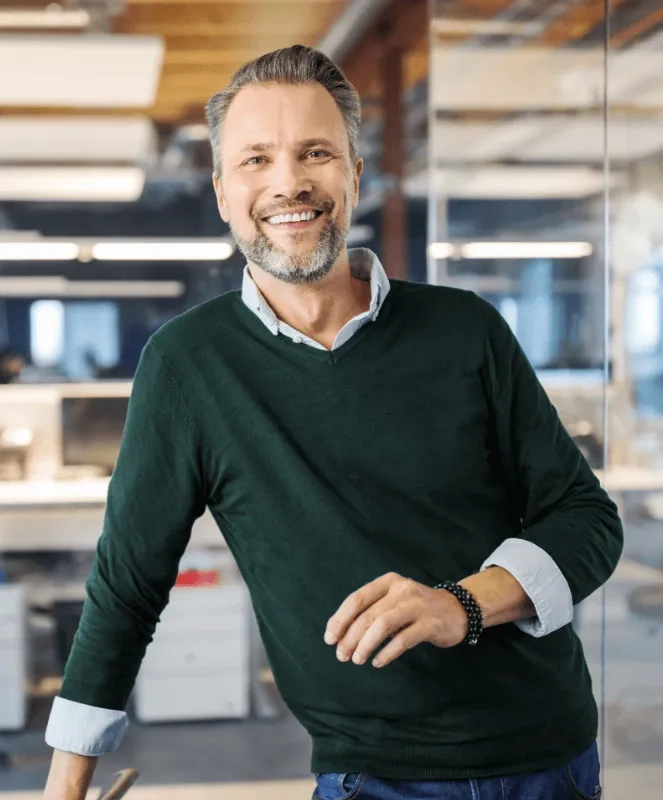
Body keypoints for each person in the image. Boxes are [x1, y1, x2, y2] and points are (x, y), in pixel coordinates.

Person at [43, 45, 623, 800]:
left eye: (315, 152)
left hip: (547, 758)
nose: (288, 182)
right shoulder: (189, 365)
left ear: (354, 173)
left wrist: (462, 603)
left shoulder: (464, 329)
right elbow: (128, 585)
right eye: (256, 159)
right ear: (221, 190)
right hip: (368, 778)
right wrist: (65, 787)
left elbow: (585, 519)